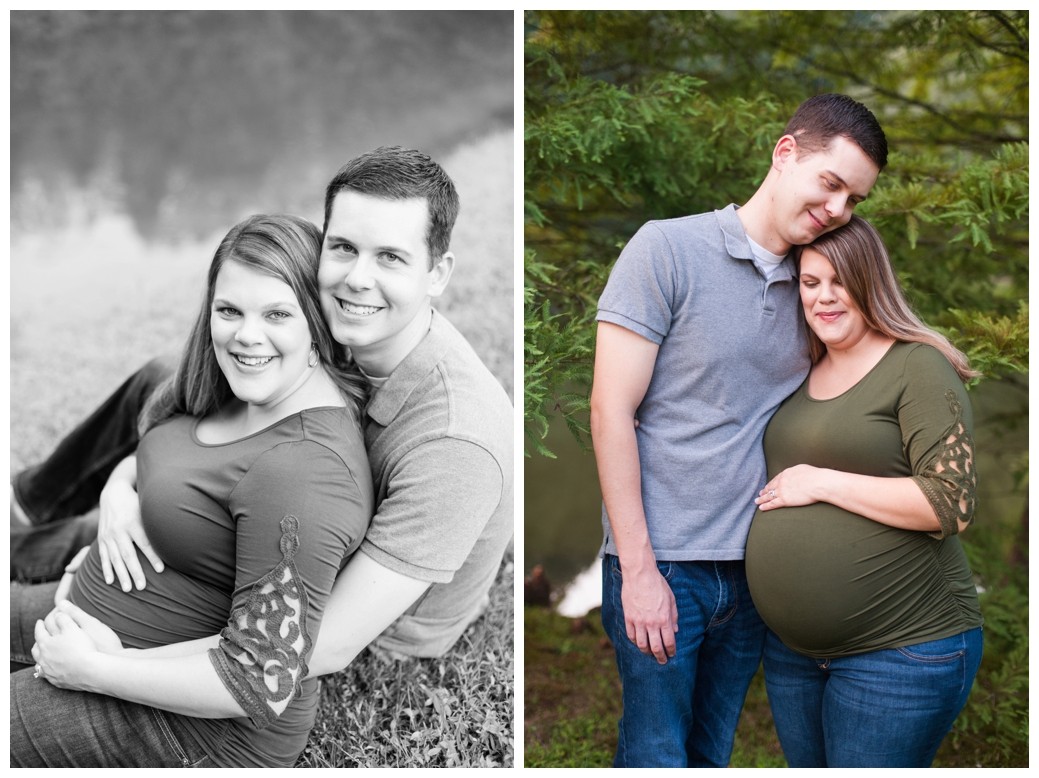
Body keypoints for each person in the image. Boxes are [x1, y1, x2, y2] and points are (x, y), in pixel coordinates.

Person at [11, 146, 513, 670]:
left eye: (390, 257)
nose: (357, 278)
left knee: (145, 538)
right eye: (343, 248)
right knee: (168, 377)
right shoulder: (346, 327)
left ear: (438, 273)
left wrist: (115, 665)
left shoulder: (456, 442)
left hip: (358, 627)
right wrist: (120, 491)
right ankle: (32, 507)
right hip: (272, 530)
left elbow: (318, 646)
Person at [589, 94, 888, 767]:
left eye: (853, 199)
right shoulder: (665, 247)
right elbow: (611, 411)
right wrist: (637, 571)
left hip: (757, 569)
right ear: (785, 153)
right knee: (655, 752)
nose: (837, 209)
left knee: (711, 752)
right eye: (830, 183)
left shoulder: (818, 287)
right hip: (663, 560)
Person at [11, 214, 374, 767]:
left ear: (317, 325)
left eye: (277, 313)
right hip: (94, 622)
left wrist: (97, 671)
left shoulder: (303, 474)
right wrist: (117, 490)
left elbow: (260, 678)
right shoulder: (242, 389)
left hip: (196, 729)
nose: (245, 335)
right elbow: (179, 456)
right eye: (229, 311)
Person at [745, 215, 983, 768]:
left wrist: (822, 482)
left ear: (871, 281)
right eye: (809, 283)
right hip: (794, 655)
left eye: (839, 281)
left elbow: (952, 503)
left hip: (903, 649)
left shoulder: (916, 365)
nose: (823, 297)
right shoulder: (800, 372)